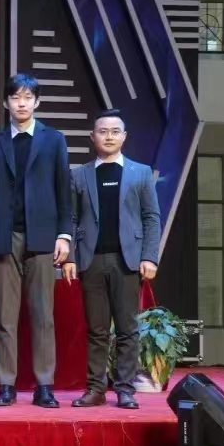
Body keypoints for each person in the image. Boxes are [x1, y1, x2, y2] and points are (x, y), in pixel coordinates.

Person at [0, 73, 72, 408]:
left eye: (27, 97)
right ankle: (6, 384)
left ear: (37, 102)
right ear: (6, 103)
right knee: (4, 316)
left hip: (43, 237)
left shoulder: (53, 140)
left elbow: (64, 191)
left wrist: (64, 235)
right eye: (15, 97)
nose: (21, 103)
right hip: (4, 236)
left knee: (43, 314)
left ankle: (44, 385)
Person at [63, 109, 160, 409]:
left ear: (124, 136)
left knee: (128, 329)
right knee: (97, 330)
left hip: (127, 262)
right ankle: (95, 389)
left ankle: (125, 389)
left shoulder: (140, 173)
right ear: (92, 137)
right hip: (90, 261)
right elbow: (71, 218)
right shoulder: (79, 175)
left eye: (114, 131)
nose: (108, 136)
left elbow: (151, 217)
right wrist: (69, 257)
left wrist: (150, 257)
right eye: (102, 131)